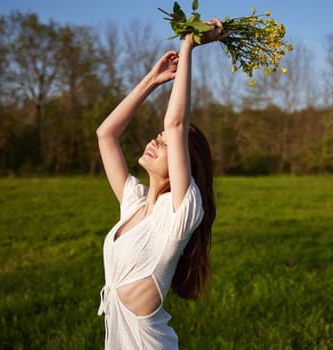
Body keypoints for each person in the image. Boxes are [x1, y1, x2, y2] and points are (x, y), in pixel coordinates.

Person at [95, 18, 229, 349]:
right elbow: (105, 134)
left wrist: (188, 47)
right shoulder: (135, 204)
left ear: (185, 161)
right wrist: (153, 80)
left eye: (165, 143)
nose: (155, 142)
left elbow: (176, 122)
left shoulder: (178, 214)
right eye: (157, 138)